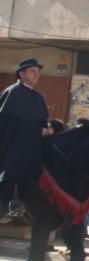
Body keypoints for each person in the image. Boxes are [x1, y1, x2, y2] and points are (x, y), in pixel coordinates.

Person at [0, 58, 52, 222]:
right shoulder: (13, 92)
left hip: (33, 152)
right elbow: (7, 124)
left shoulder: (38, 97)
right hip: (13, 151)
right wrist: (38, 131)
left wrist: (50, 129)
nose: (37, 75)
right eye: (33, 71)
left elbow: (42, 121)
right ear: (22, 74)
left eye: (38, 72)